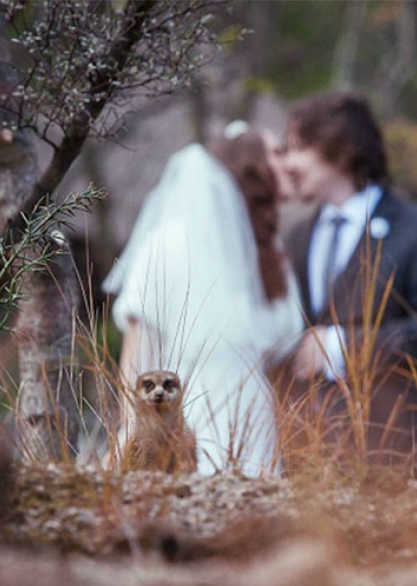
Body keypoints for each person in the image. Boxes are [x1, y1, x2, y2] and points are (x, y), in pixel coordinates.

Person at [102, 122, 303, 477]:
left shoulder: (272, 258)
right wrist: (134, 432)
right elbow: (140, 348)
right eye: (276, 152)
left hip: (259, 423)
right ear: (248, 167)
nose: (289, 163)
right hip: (191, 422)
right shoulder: (171, 242)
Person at [280, 92, 417, 480]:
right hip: (304, 461)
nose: (288, 163)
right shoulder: (296, 237)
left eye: (298, 147)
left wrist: (340, 346)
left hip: (393, 454)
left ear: (340, 149)